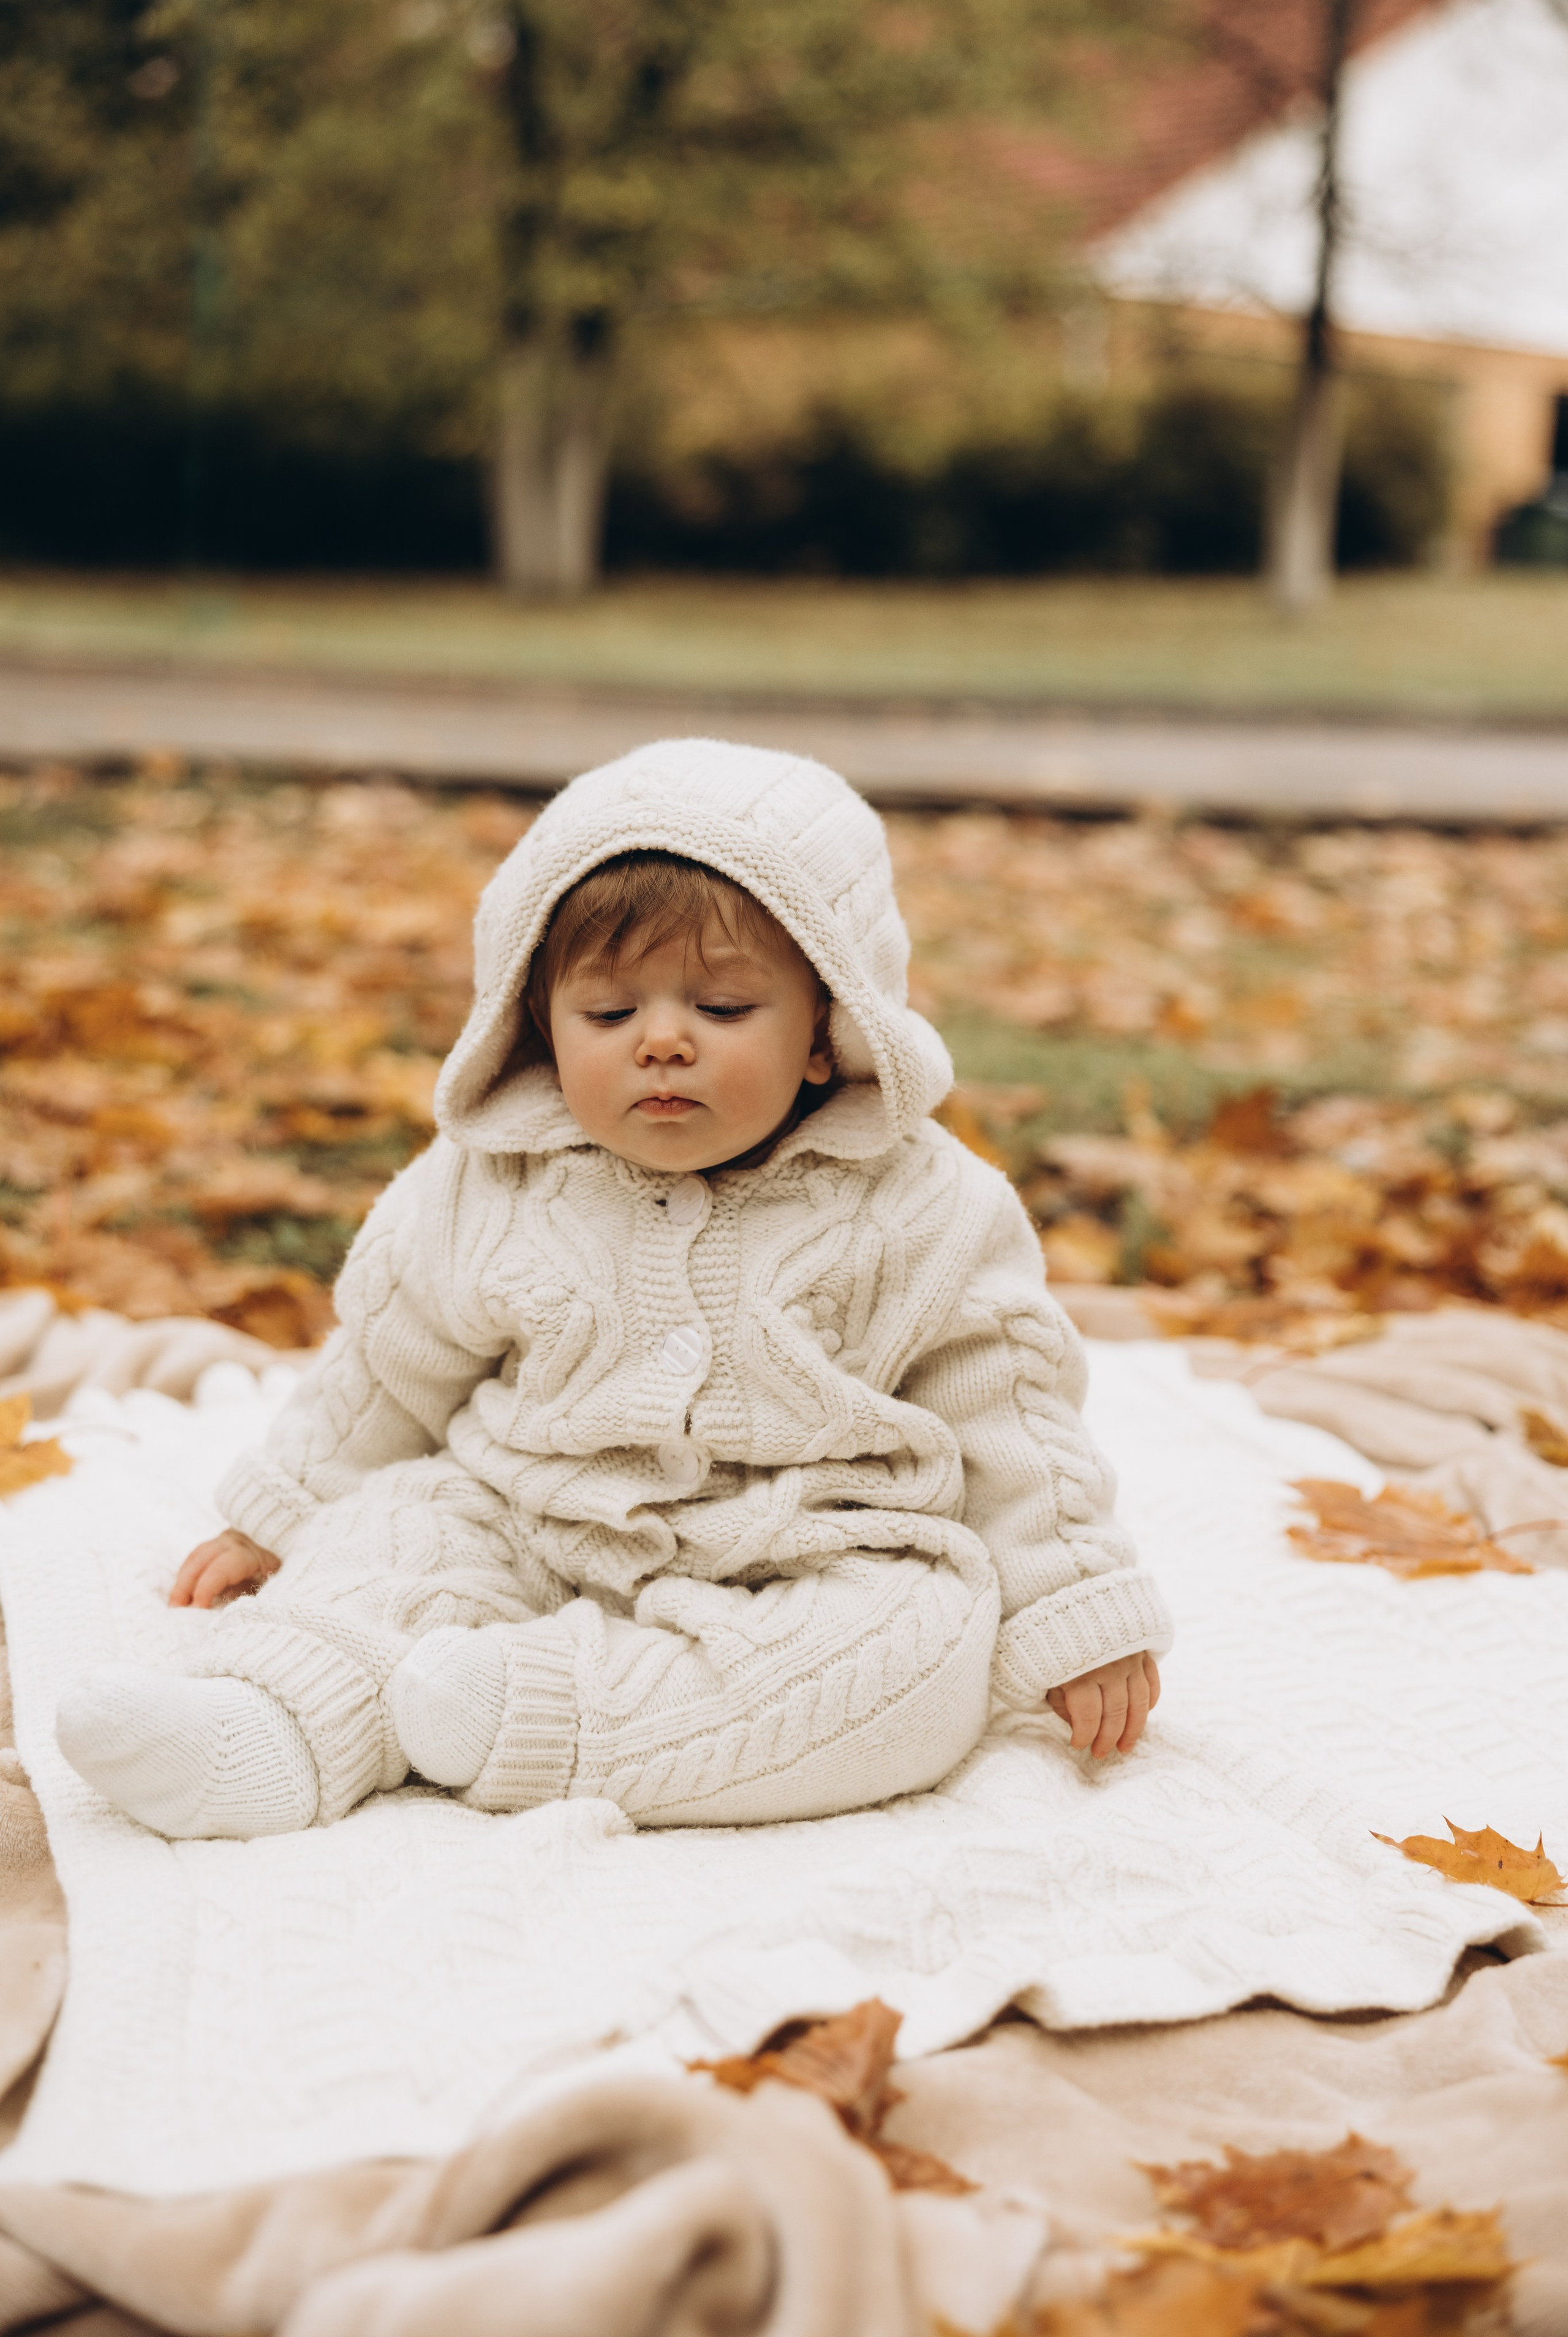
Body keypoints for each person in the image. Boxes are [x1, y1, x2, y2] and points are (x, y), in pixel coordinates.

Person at [57, 741, 1171, 1840]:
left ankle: (533, 1714)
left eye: (725, 1011)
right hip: (530, 1508)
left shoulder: (931, 1205)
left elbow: (1012, 1411)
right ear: (541, 1023)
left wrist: (1075, 1601)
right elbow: (389, 1363)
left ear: (830, 1031)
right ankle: (271, 1725)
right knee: (393, 1534)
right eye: (609, 1015)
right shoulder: (488, 1181)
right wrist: (290, 1510)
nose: (664, 1045)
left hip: (816, 1541)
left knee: (923, 1656)